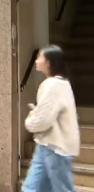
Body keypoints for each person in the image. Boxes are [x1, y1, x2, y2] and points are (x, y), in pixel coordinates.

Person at [22, 45, 79, 192]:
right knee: (32, 188)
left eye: (40, 57)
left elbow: (42, 121)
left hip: (55, 148)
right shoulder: (61, 84)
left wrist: (30, 119)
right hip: (47, 145)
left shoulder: (53, 85)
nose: (36, 60)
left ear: (48, 62)